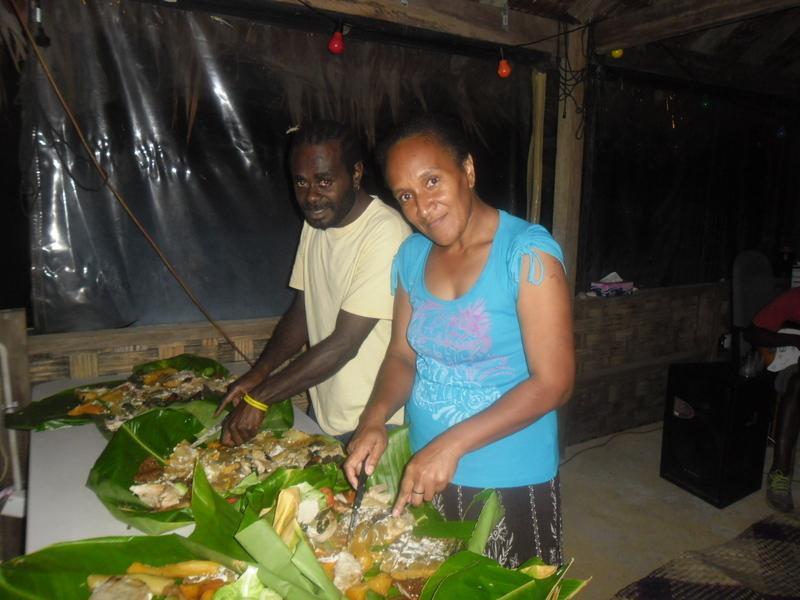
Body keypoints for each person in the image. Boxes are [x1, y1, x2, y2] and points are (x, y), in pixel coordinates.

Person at [343, 115, 575, 568]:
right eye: (405, 195)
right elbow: (401, 356)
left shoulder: (526, 254)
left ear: (467, 170)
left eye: (433, 181)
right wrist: (373, 420)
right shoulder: (412, 255)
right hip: (425, 469)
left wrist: (450, 446)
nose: (423, 207)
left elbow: (555, 383)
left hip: (506, 475)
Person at [217, 120, 410, 445]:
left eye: (324, 181)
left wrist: (260, 398)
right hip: (327, 416)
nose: (310, 197)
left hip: (375, 424)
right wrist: (258, 374)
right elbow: (302, 313)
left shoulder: (385, 232)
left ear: (356, 174)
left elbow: (344, 344)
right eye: (301, 182)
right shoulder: (318, 224)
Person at [745, 286, 800, 512]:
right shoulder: (796, 298)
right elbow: (753, 333)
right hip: (797, 365)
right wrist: (797, 339)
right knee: (798, 384)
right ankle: (781, 472)